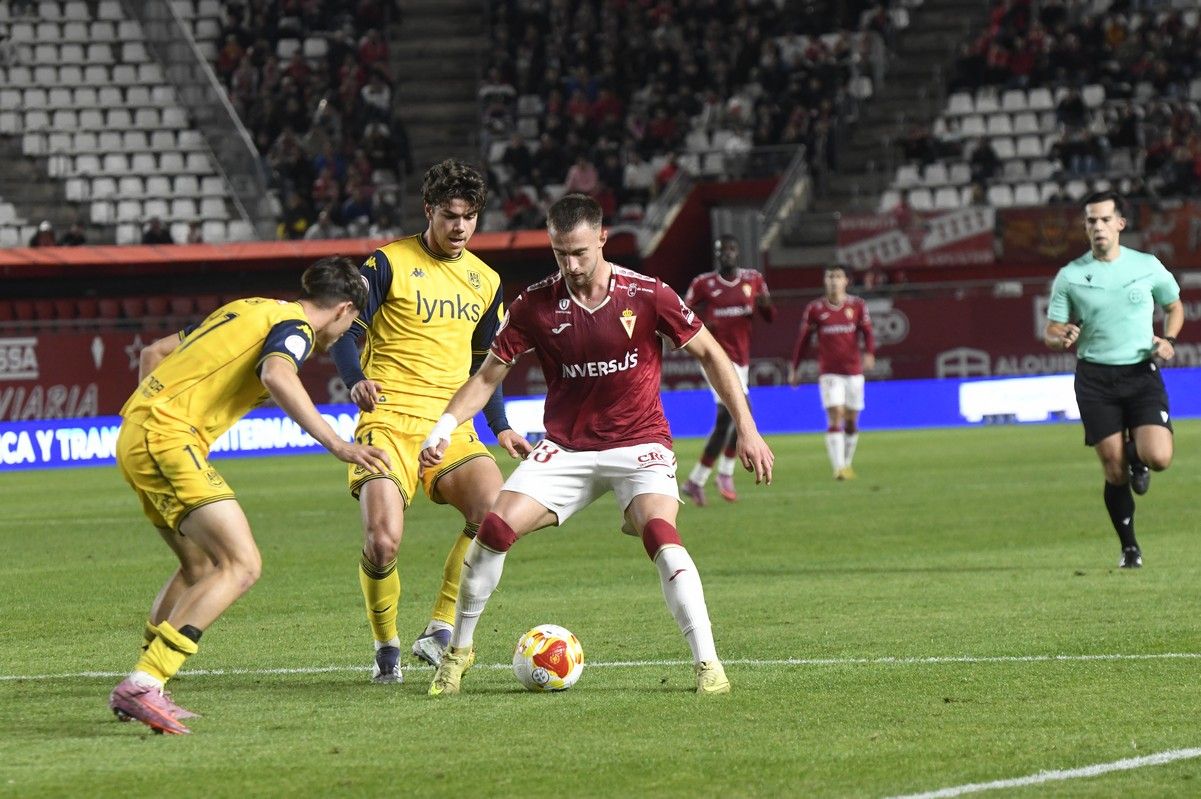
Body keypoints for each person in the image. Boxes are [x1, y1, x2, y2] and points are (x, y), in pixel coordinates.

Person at [421, 194, 775, 697]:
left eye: (580, 252)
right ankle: (457, 654)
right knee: (494, 530)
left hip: (640, 443)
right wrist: (442, 427)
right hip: (566, 448)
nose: (570, 264)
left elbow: (711, 353)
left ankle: (708, 665)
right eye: (560, 252)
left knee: (659, 534)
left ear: (603, 239)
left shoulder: (648, 293)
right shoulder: (534, 305)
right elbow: (486, 377)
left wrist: (748, 428)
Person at [108, 257, 391, 735]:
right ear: (344, 310)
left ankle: (149, 685)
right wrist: (339, 443)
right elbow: (278, 375)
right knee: (242, 565)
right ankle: (143, 681)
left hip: (140, 434)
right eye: (349, 327)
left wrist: (157, 419)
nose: (343, 337)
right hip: (167, 441)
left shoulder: (246, 308)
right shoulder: (295, 326)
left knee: (199, 567)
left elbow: (153, 354)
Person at [330, 159, 526, 682]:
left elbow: (489, 360)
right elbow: (347, 332)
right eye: (449, 216)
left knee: (494, 515)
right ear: (429, 211)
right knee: (382, 542)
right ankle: (386, 646)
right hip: (389, 422)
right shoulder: (388, 262)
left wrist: (500, 423)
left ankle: (439, 629)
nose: (459, 227)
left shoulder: (487, 280)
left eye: (469, 217)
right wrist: (354, 379)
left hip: (450, 426)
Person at [1043, 190, 1182, 569]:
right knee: (1113, 469)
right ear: (1085, 227)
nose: (1098, 226)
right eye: (1091, 220)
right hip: (1095, 379)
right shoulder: (1070, 276)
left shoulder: (1148, 265)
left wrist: (1168, 341)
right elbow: (1051, 329)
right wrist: (1062, 335)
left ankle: (1138, 456)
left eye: (1105, 219)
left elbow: (1174, 306)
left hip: (1140, 374)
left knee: (1160, 457)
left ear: (1120, 223)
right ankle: (1130, 548)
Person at [681, 234, 775, 505]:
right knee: (743, 411)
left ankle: (696, 480)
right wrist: (703, 328)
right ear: (717, 254)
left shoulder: (753, 279)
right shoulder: (703, 283)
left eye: (731, 250)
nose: (727, 255)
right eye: (722, 250)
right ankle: (725, 472)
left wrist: (765, 303)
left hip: (741, 360)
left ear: (738, 252)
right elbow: (683, 315)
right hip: (716, 359)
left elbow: (770, 316)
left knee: (725, 422)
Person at [787, 265, 876, 480]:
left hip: (853, 371)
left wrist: (870, 354)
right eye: (829, 277)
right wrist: (795, 368)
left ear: (846, 281)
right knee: (836, 415)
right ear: (825, 281)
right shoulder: (815, 309)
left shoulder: (857, 306)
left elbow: (868, 333)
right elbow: (803, 341)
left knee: (852, 421)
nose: (834, 281)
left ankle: (846, 463)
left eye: (838, 276)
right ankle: (838, 468)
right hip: (829, 372)